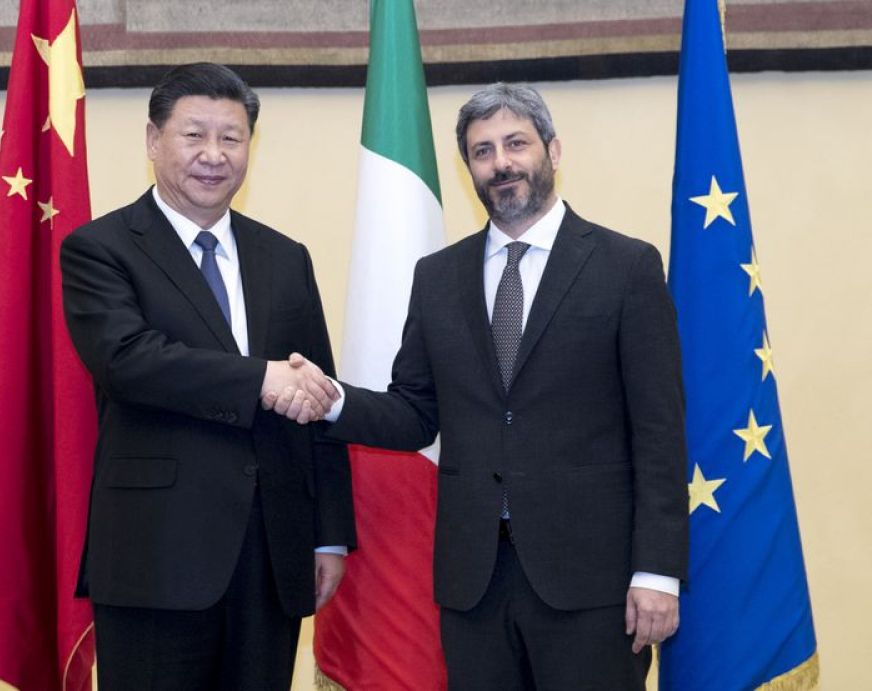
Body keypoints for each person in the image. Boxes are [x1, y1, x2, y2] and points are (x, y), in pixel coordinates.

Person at [270, 83, 689, 689]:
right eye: (482, 151)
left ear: (552, 150)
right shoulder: (438, 277)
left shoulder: (626, 266)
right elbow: (415, 412)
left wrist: (657, 572)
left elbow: (659, 432)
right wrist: (334, 401)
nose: (501, 163)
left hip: (593, 581)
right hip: (474, 581)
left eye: (516, 144)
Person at [60, 62, 355, 690]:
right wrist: (258, 380)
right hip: (156, 557)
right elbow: (129, 361)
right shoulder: (100, 248)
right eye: (194, 135)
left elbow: (316, 395)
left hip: (271, 556)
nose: (214, 155)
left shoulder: (285, 257)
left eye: (232, 137)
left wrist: (329, 535)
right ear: (153, 140)